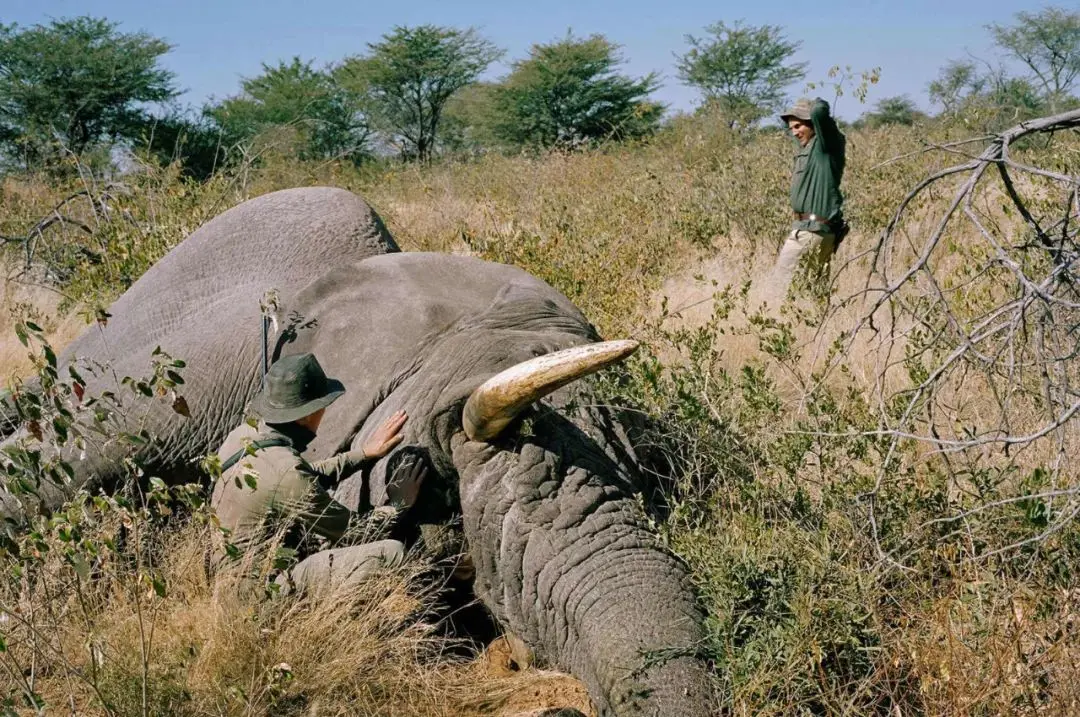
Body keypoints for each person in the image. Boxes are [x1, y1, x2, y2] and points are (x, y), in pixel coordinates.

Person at [211, 352, 426, 595]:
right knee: (393, 553)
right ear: (308, 414)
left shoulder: (240, 437)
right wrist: (398, 505)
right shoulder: (286, 473)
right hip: (259, 601)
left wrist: (364, 453)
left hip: (226, 589)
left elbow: (302, 476)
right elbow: (355, 532)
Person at [767, 96, 848, 302]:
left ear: (813, 124)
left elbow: (819, 112)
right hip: (809, 230)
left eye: (798, 125)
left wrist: (815, 103)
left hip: (811, 232)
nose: (794, 132)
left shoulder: (826, 145)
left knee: (779, 288)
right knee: (813, 294)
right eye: (791, 128)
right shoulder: (811, 149)